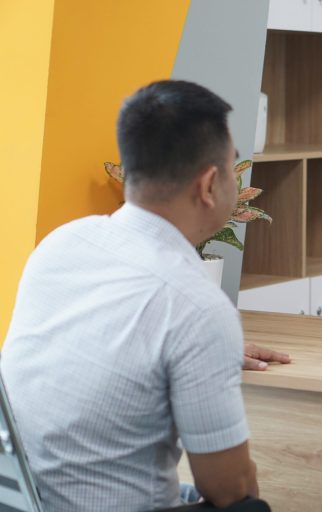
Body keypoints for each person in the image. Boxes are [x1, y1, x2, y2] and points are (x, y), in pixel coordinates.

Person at [1, 80, 288, 512]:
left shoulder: (61, 244)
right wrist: (206, 339)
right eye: (232, 167)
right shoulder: (196, 307)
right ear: (209, 184)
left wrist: (199, 357)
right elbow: (229, 490)